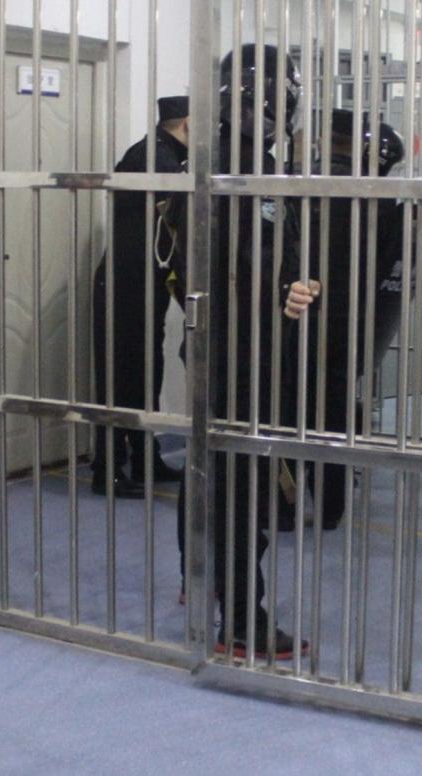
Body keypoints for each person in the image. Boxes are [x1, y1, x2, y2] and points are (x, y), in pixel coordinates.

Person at [171, 45, 317, 658]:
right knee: (239, 482)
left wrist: (294, 285)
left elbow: (246, 264)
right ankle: (240, 622)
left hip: (222, 342)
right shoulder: (239, 169)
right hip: (241, 350)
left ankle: (200, 581)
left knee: (209, 469)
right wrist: (281, 294)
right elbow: (239, 267)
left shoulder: (227, 160)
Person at [296, 109, 405, 529]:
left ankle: (283, 506)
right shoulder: (376, 194)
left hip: (297, 311)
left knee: (287, 408)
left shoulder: (296, 182)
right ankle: (331, 507)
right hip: (350, 317)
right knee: (335, 410)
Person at [90, 96, 190, 499]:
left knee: (146, 375)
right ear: (185, 124)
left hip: (146, 283)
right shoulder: (153, 159)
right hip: (123, 284)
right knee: (119, 381)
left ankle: (146, 459)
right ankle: (108, 471)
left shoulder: (166, 155)